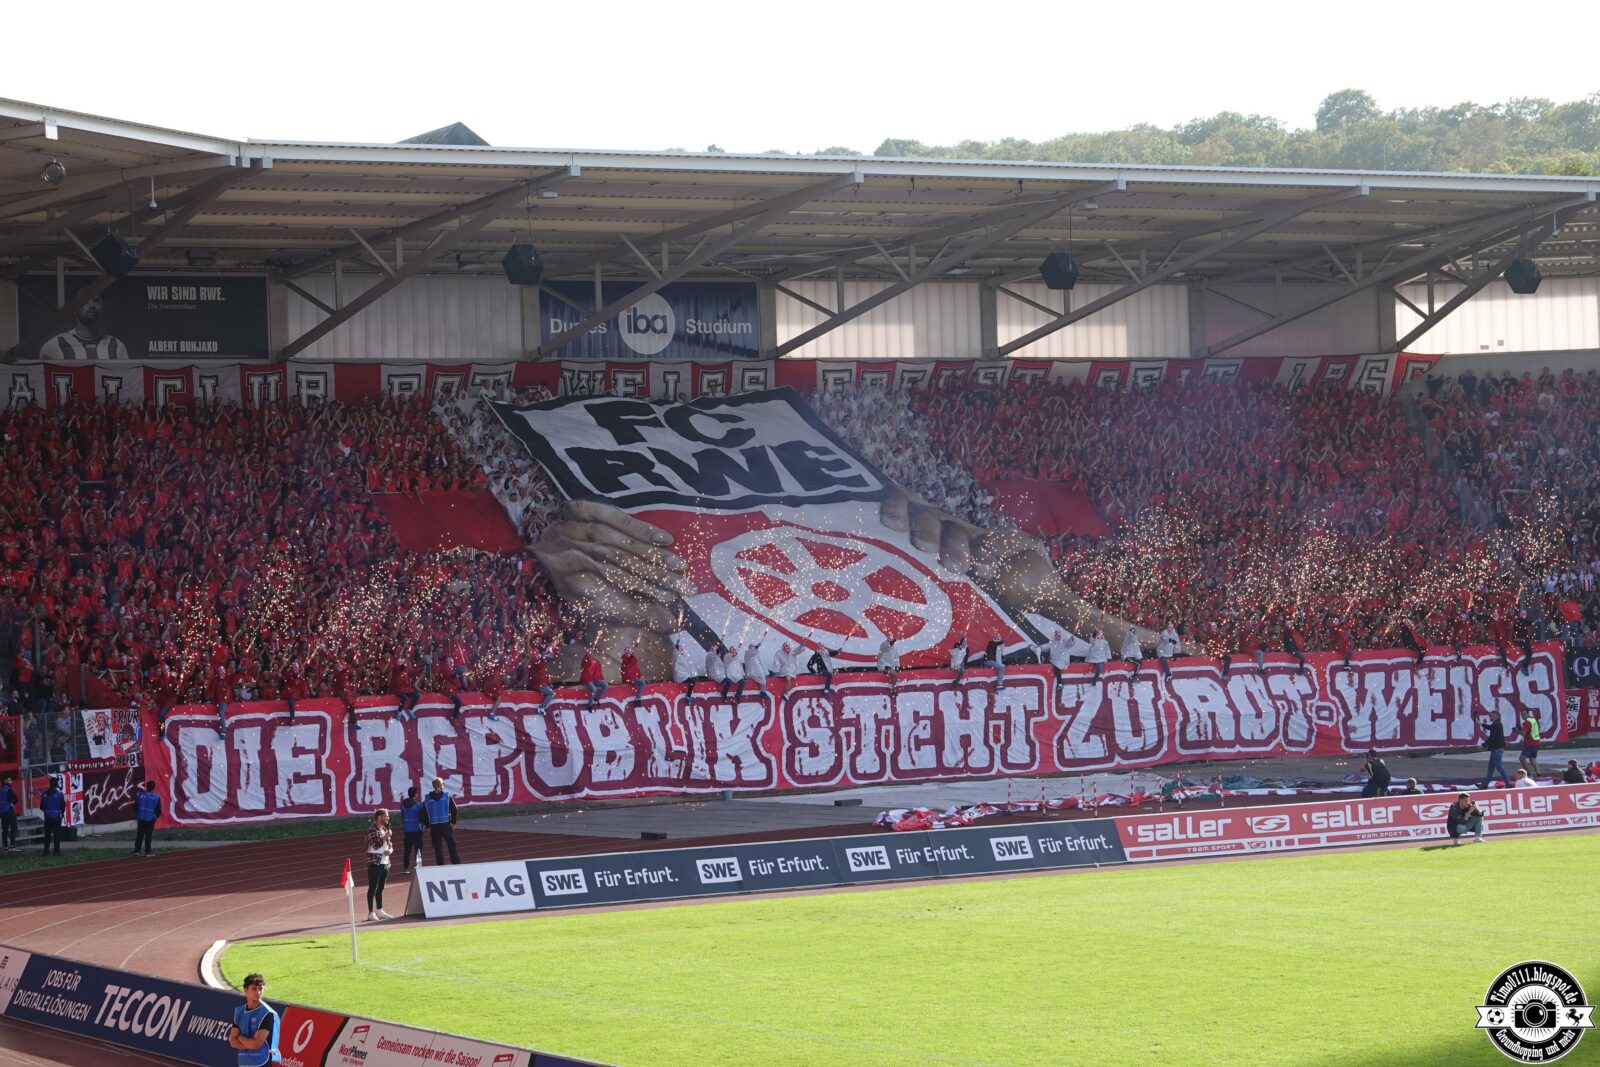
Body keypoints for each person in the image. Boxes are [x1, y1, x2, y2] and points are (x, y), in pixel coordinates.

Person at [42, 296, 130, 361]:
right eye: (85, 300)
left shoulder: (117, 346)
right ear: (74, 308)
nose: (92, 305)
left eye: (96, 301)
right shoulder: (54, 346)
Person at [227, 972, 280, 1066]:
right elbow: (232, 1042)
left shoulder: (267, 1014)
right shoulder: (239, 1011)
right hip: (244, 1062)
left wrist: (239, 1036)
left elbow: (255, 1044)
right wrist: (248, 1042)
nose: (258, 992)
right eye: (254, 989)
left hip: (261, 1063)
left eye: (260, 989)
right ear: (245, 990)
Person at [419, 776, 460, 865]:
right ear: (441, 785)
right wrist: (453, 822)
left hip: (434, 826)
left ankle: (440, 865)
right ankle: (456, 863)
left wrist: (428, 826)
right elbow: (454, 809)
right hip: (446, 825)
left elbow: (423, 813)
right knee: (451, 845)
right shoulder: (446, 796)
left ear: (433, 786)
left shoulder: (427, 798)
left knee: (438, 848)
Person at [365, 808, 394, 922]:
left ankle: (380, 910)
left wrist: (390, 850)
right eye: (386, 816)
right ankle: (371, 912)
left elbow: (390, 845)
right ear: (380, 817)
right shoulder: (371, 830)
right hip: (375, 862)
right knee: (373, 887)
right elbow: (376, 844)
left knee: (380, 888)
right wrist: (386, 836)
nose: (387, 818)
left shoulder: (384, 829)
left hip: (385, 862)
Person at [1478, 713, 1512, 788]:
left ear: (1497, 716)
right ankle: (1485, 784)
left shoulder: (1496, 725)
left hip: (1496, 749)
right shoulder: (1497, 724)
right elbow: (1490, 727)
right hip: (1496, 749)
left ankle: (1508, 783)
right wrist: (1480, 723)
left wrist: (1483, 745)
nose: (1490, 717)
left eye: (1492, 716)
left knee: (1499, 767)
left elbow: (1492, 737)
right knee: (1491, 767)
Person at [399, 785, 424, 873]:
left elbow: (402, 815)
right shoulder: (418, 806)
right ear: (416, 794)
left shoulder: (402, 806)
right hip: (417, 830)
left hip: (407, 831)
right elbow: (421, 817)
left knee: (407, 850)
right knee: (418, 850)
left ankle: (406, 868)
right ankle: (419, 866)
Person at [38, 775, 65, 856]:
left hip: (47, 817)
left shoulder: (44, 794)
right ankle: (56, 851)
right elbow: (62, 806)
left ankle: (46, 851)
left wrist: (47, 812)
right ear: (57, 784)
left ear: (50, 784)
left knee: (47, 835)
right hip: (56, 816)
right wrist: (62, 813)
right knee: (57, 835)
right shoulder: (59, 794)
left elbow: (41, 807)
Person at [133, 780, 160, 856]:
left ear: (146, 787)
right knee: (148, 835)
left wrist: (138, 814)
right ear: (154, 787)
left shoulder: (140, 795)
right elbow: (158, 810)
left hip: (141, 817)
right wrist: (155, 816)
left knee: (139, 834)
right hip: (150, 818)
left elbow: (135, 806)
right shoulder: (156, 797)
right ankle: (147, 851)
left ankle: (137, 851)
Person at [579, 645, 606, 711]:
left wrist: (600, 678)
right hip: (587, 680)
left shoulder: (596, 660)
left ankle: (597, 698)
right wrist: (588, 658)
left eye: (590, 650)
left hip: (594, 679)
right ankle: (590, 705)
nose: (589, 652)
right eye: (588, 651)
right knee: (593, 689)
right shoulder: (584, 659)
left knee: (605, 685)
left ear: (592, 651)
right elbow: (586, 667)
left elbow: (599, 670)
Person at [1517, 710, 1542, 778]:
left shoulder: (1527, 722)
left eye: (1524, 714)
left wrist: (1517, 731)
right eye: (1521, 714)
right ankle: (1539, 775)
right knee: (1532, 759)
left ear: (1528, 714)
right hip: (1536, 741)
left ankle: (1529, 774)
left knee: (1522, 758)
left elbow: (1523, 733)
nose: (1522, 716)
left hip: (1530, 743)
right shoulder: (1533, 719)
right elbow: (1538, 727)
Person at [620, 642, 644, 707]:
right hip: (629, 679)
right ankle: (637, 699)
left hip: (632, 678)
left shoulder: (630, 659)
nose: (628, 654)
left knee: (643, 681)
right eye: (627, 652)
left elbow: (635, 668)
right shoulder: (626, 660)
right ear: (625, 653)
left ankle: (638, 699)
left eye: (629, 652)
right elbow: (632, 663)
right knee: (642, 683)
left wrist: (640, 676)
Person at [0, 777, 18, 852]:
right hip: (9, 810)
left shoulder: (1, 790)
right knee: (14, 827)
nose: (11, 781)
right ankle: (12, 844)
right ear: (6, 781)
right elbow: (15, 800)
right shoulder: (9, 789)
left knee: (5, 829)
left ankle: (5, 846)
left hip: (2, 811)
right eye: (10, 780)